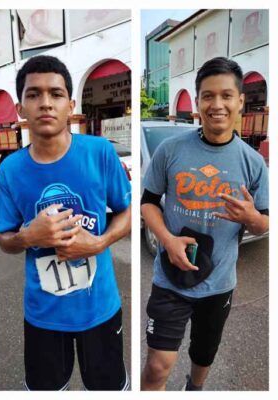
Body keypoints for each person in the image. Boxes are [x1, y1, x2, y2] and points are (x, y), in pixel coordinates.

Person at [0, 55, 131, 390]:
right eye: (34, 94)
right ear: (20, 108)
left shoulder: (100, 152)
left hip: (100, 307)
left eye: (55, 94)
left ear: (70, 105)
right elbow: (4, 239)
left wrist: (98, 243)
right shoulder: (11, 169)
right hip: (43, 314)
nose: (45, 103)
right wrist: (29, 237)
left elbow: (128, 212)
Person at [140, 57, 269, 391]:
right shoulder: (170, 150)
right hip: (170, 279)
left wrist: (252, 218)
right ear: (197, 102)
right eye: (208, 96)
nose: (217, 104)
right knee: (155, 368)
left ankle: (194, 389)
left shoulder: (254, 163)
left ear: (240, 101)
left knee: (203, 355)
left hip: (219, 283)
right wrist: (167, 240)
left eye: (226, 95)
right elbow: (148, 203)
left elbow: (265, 224)